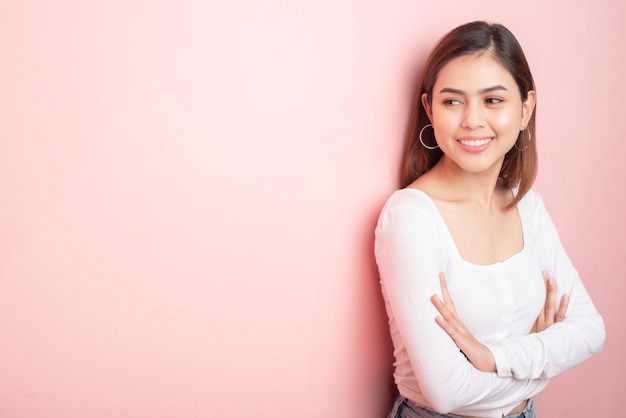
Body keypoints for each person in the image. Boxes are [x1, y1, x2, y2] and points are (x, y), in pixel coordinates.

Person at [374, 21, 605, 418]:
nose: (472, 121)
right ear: (429, 109)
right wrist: (544, 365)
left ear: (525, 109)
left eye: (493, 100)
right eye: (452, 102)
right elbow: (447, 393)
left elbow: (590, 331)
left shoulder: (526, 206)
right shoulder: (410, 217)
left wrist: (491, 356)